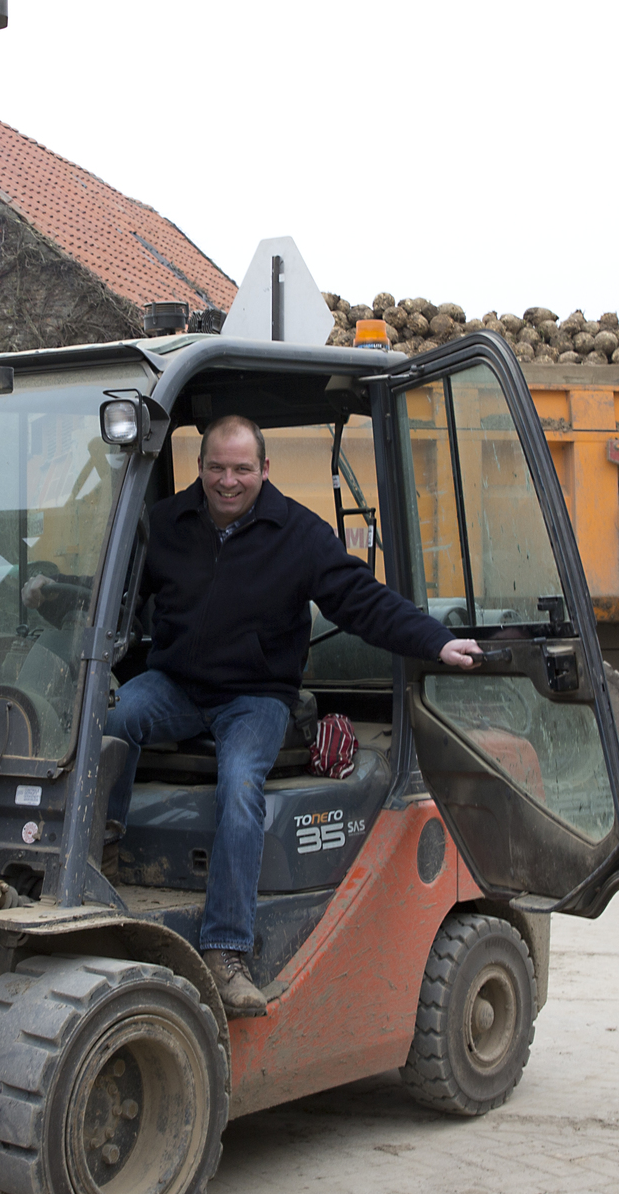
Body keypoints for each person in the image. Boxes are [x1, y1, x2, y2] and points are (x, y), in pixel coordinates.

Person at [105, 415, 481, 1018]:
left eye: (241, 469)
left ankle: (226, 951)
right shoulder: (166, 525)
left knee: (241, 784)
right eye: (217, 468)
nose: (228, 482)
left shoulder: (298, 534)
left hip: (255, 695)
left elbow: (363, 601)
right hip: (176, 684)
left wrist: (435, 642)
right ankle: (102, 858)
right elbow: (115, 594)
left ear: (264, 469)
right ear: (200, 466)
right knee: (112, 721)